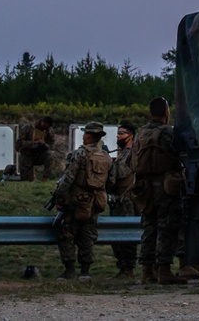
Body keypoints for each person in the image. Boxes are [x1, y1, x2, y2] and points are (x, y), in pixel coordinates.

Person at [131, 96, 187, 285]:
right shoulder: (166, 133)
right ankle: (164, 270)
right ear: (166, 113)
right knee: (168, 227)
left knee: (149, 226)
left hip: (144, 186)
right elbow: (179, 153)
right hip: (165, 186)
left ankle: (147, 271)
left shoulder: (141, 133)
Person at [52, 121, 113, 281]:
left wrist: (60, 196)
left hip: (77, 201)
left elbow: (68, 178)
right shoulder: (106, 157)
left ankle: (70, 270)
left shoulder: (80, 154)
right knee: (88, 236)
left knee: (66, 233)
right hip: (96, 202)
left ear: (88, 135)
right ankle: (85, 272)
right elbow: (111, 181)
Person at [107, 121, 138, 278]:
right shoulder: (121, 154)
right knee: (117, 236)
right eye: (118, 133)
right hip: (117, 199)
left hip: (127, 200)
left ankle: (128, 267)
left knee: (127, 234)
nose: (118, 136)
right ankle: (122, 265)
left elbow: (121, 174)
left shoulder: (132, 153)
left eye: (122, 134)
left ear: (130, 136)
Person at [15, 116, 55, 181]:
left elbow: (52, 145)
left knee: (50, 155)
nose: (45, 128)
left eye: (47, 127)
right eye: (45, 126)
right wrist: (34, 143)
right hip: (27, 156)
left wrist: (44, 145)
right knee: (27, 181)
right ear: (42, 122)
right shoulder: (28, 127)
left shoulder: (49, 131)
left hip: (39, 155)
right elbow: (19, 144)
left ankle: (45, 178)